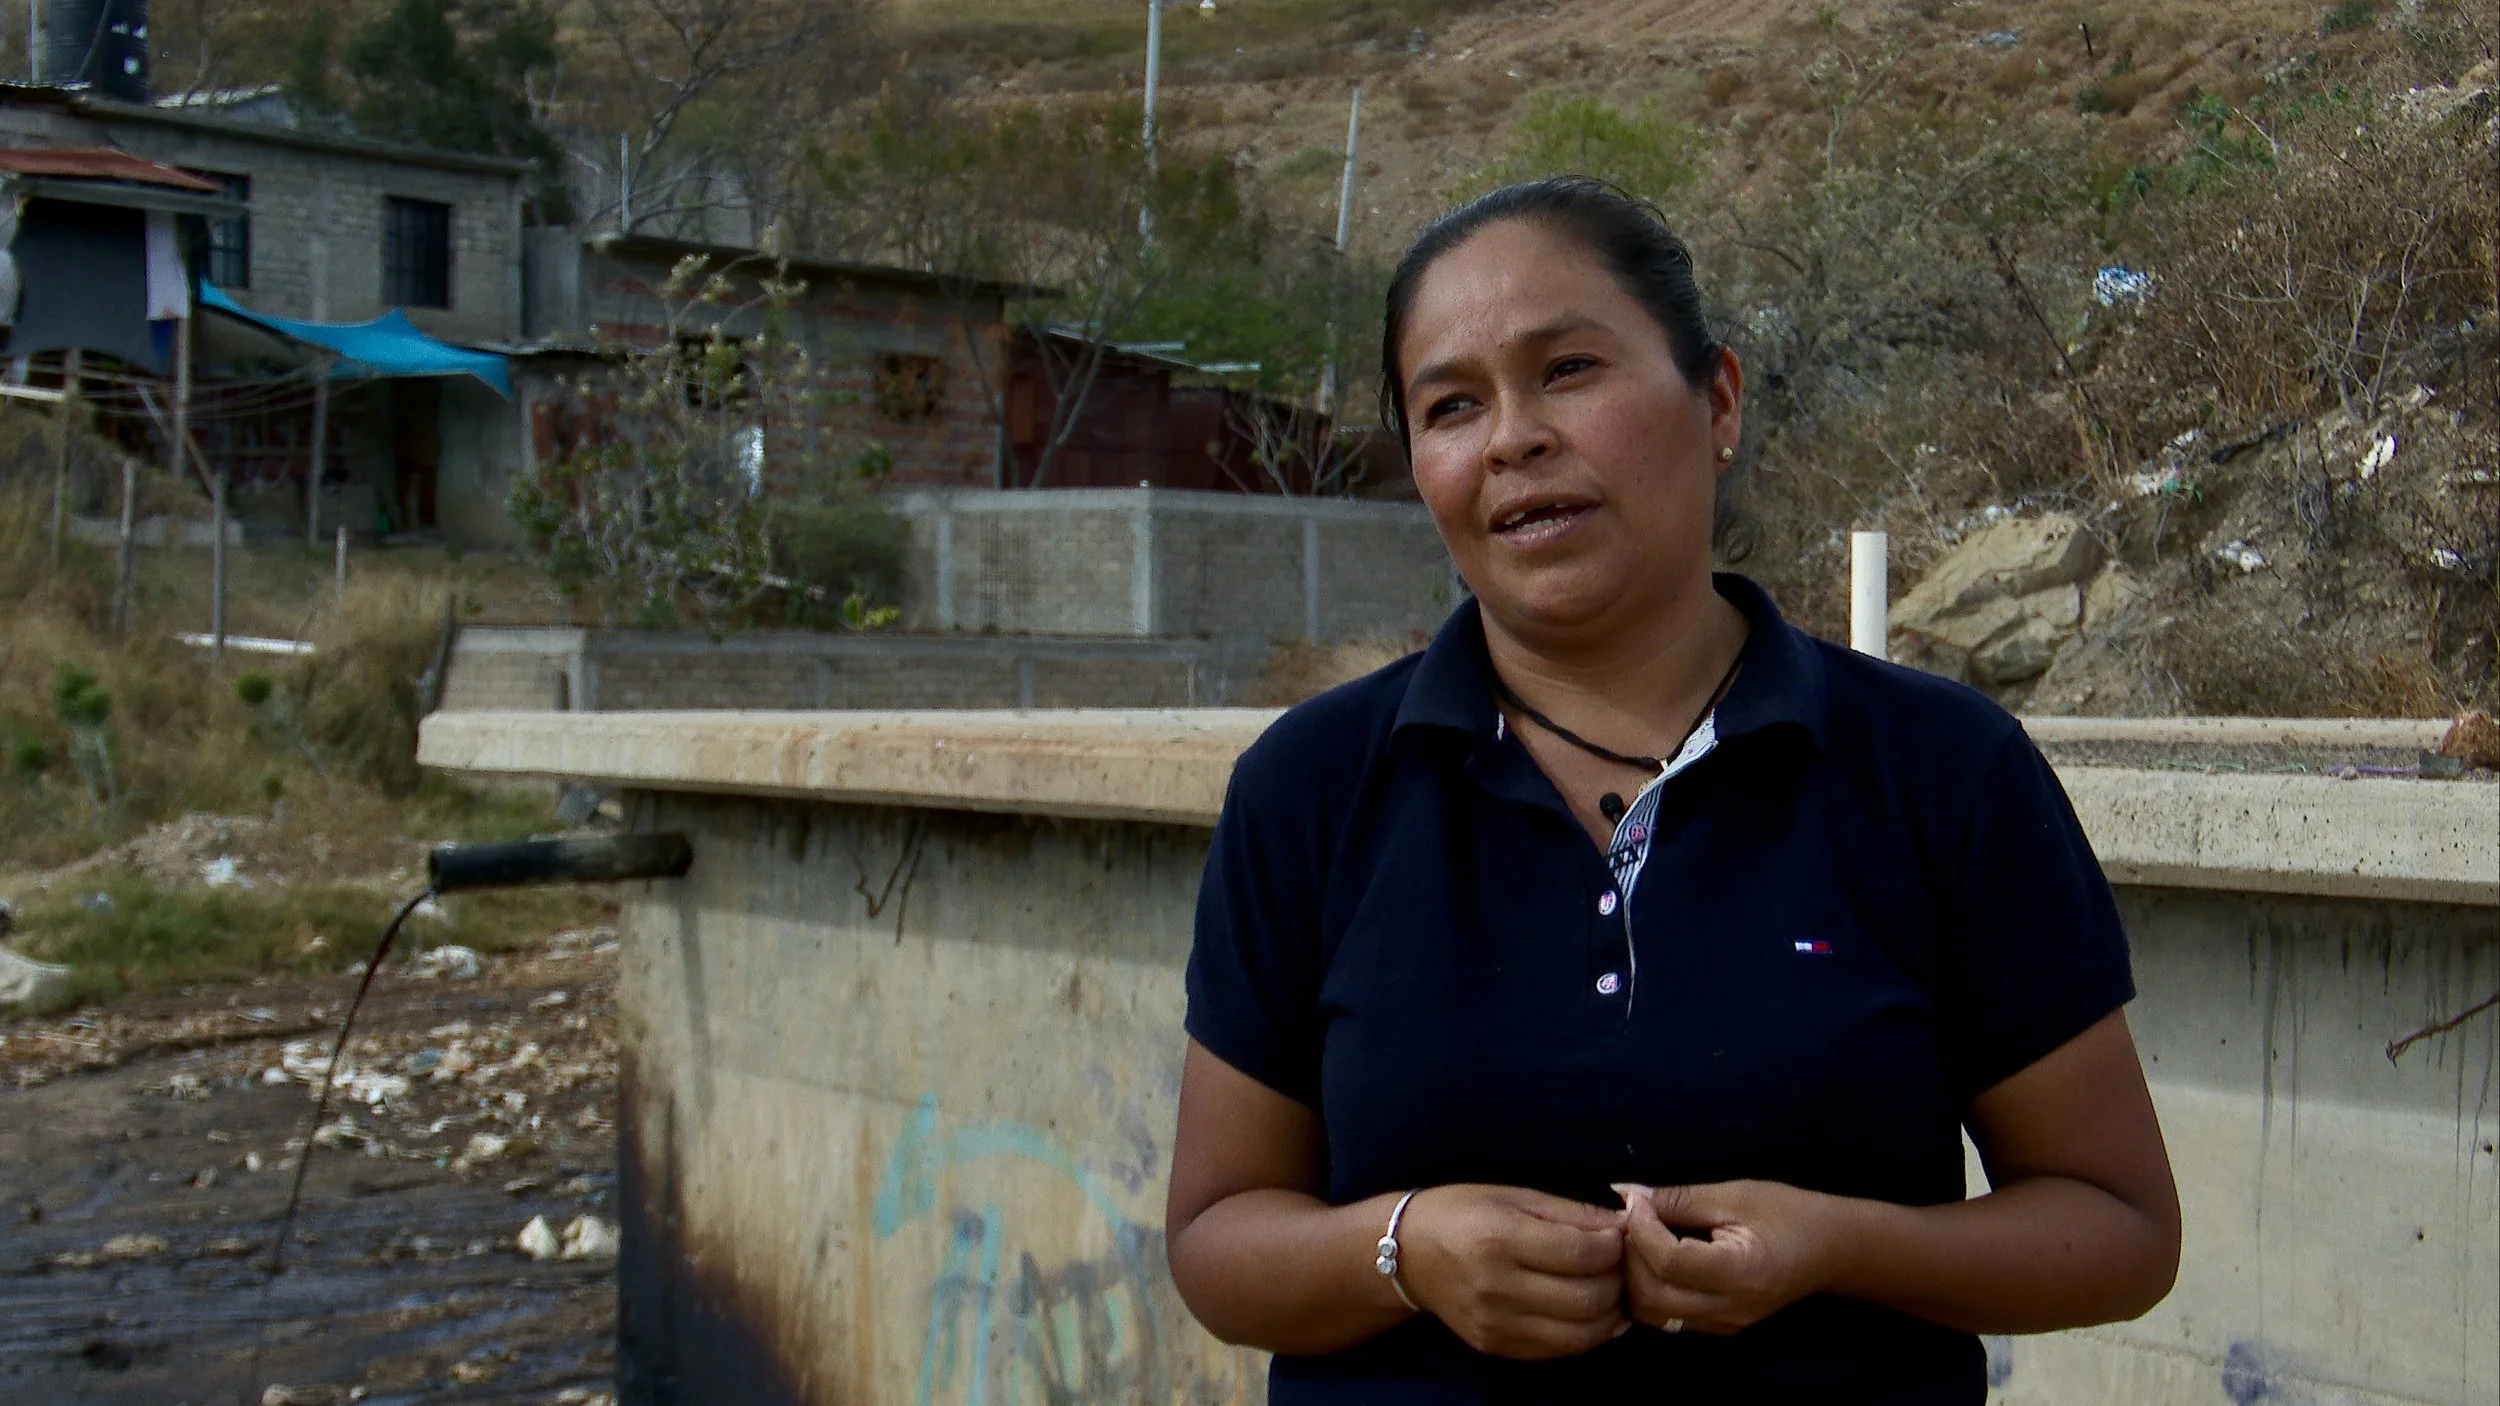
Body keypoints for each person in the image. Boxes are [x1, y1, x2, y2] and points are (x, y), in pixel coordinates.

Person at [1165, 178, 2180, 1404]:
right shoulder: (1312, 787)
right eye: (1451, 404)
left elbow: (2119, 1224)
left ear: (1719, 401)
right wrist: (1404, 1248)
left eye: (1568, 369)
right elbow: (1216, 1238)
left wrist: (1839, 1246)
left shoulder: (1941, 769)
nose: (1512, 437)